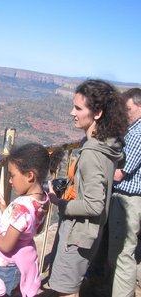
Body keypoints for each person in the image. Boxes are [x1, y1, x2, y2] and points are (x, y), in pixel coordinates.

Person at [47, 79, 127, 297]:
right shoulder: (108, 145)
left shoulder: (92, 153)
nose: (72, 112)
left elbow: (94, 205)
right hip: (89, 233)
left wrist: (61, 204)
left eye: (78, 108)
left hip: (78, 236)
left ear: (98, 113)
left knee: (65, 291)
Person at [0, 142, 51, 297]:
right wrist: (8, 212)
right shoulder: (43, 200)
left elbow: (6, 245)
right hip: (21, 265)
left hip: (7, 267)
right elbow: (34, 228)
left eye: (12, 175)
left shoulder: (22, 208)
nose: (10, 181)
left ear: (30, 175)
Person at [108, 87, 141, 297]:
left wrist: (97, 170)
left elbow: (120, 174)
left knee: (123, 254)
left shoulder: (138, 133)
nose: (125, 113)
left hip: (129, 200)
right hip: (127, 200)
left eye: (128, 108)